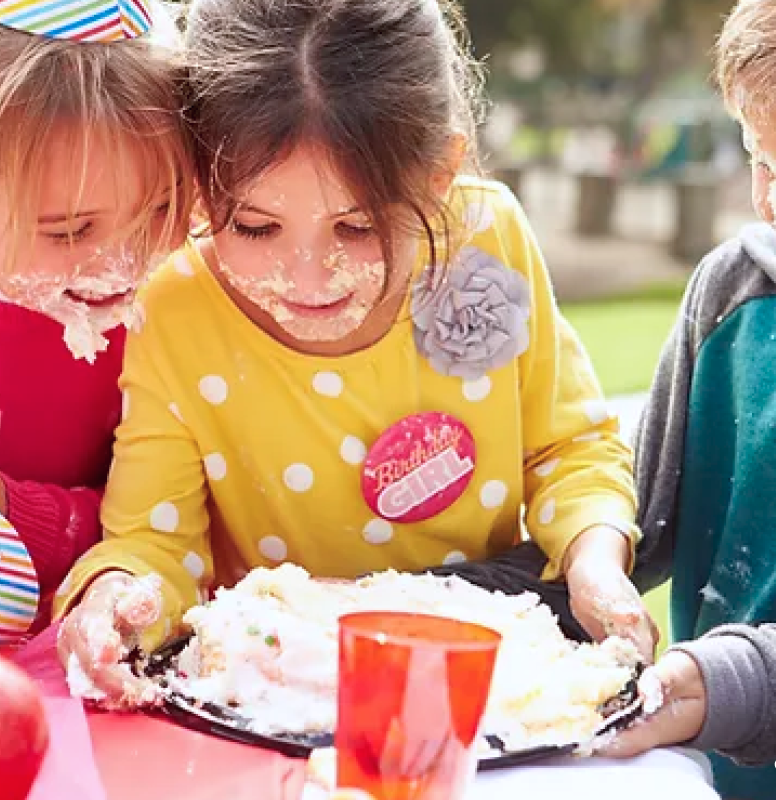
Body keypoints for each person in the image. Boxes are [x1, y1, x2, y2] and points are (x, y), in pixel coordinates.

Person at [54, 0, 652, 705]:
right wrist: (116, 601)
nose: (309, 276)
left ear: (437, 176)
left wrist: (594, 560)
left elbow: (569, 450)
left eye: (357, 226)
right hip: (273, 693)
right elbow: (155, 543)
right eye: (253, 225)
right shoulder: (177, 308)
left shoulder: (487, 240)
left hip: (479, 679)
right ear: (199, 192)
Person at [448, 0, 776, 795]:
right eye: (764, 163)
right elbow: (625, 525)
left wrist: (728, 682)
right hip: (699, 776)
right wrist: (442, 593)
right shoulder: (734, 289)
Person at [0, 0, 189, 649]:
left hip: (83, 656)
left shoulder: (177, 316)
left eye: (159, 212)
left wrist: (7, 505)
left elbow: (152, 526)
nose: (121, 264)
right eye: (70, 230)